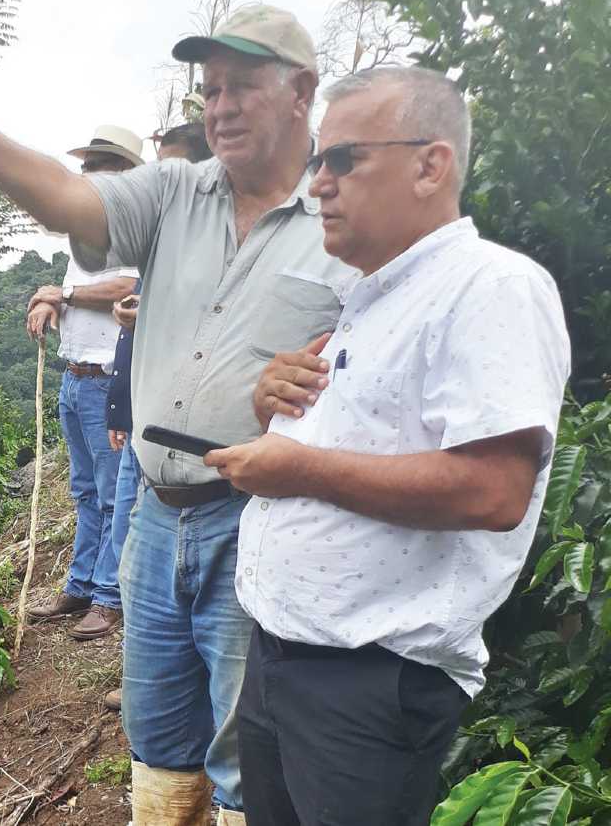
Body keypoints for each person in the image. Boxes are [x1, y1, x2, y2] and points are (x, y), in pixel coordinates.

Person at [0, 3, 356, 826]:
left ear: (302, 90)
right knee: (157, 733)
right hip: (158, 514)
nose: (221, 107)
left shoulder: (343, 218)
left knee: (248, 751)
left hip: (265, 519)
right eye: (212, 90)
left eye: (242, 87)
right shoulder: (173, 192)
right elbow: (68, 200)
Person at [203, 66, 571, 825]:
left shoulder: (489, 286)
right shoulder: (366, 302)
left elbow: (493, 490)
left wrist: (296, 466)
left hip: (368, 683)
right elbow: (363, 440)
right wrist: (273, 407)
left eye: (344, 159)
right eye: (317, 163)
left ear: (430, 165)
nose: (320, 186)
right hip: (283, 661)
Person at [102, 122, 213, 713]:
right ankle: (149, 665)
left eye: (173, 172)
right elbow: (136, 355)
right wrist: (120, 406)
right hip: (150, 450)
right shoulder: (159, 245)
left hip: (212, 481)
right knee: (130, 545)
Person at [22, 125, 142, 641]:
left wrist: (64, 297)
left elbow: (127, 285)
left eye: (101, 164)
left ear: (125, 174)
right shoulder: (86, 236)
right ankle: (82, 583)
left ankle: (109, 597)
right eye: (88, 165)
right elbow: (73, 285)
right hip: (76, 376)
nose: (90, 174)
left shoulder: (135, 229)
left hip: (107, 380)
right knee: (85, 491)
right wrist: (51, 298)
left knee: (115, 494)